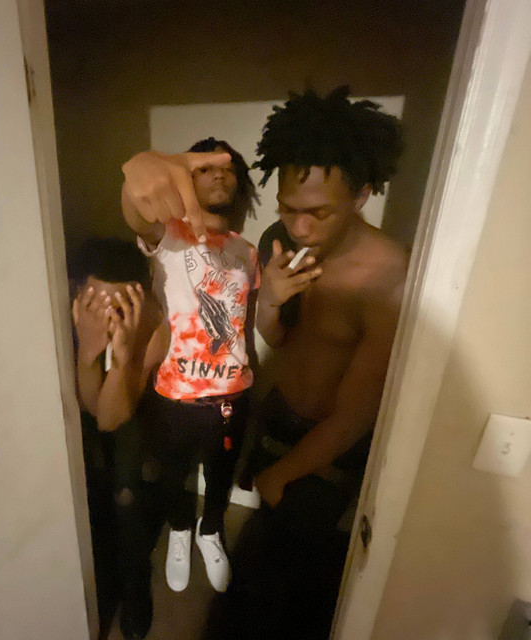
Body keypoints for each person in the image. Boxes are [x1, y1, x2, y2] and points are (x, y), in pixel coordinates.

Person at [207, 86, 408, 639]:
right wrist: (270, 300)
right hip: (275, 416)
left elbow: (359, 412)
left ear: (362, 195)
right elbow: (275, 340)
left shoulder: (387, 276)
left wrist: (285, 472)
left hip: (324, 451)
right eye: (288, 209)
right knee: (260, 557)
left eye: (318, 213)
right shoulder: (280, 242)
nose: (299, 227)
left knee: (288, 581)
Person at [120, 137, 260, 596]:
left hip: (231, 396)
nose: (219, 173)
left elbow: (244, 323)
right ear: (185, 176)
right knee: (173, 477)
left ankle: (209, 531)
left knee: (219, 477)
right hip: (174, 396)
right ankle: (181, 529)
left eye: (229, 168)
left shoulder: (247, 252)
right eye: (205, 167)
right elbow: (135, 213)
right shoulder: (167, 236)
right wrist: (141, 167)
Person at [69, 237, 168, 640]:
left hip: (133, 412)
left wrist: (121, 357)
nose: (109, 316)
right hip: (94, 409)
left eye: (121, 305)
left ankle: (135, 583)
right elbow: (91, 408)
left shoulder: (152, 324)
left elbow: (110, 417)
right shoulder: (72, 316)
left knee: (127, 489)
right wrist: (88, 352)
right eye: (97, 303)